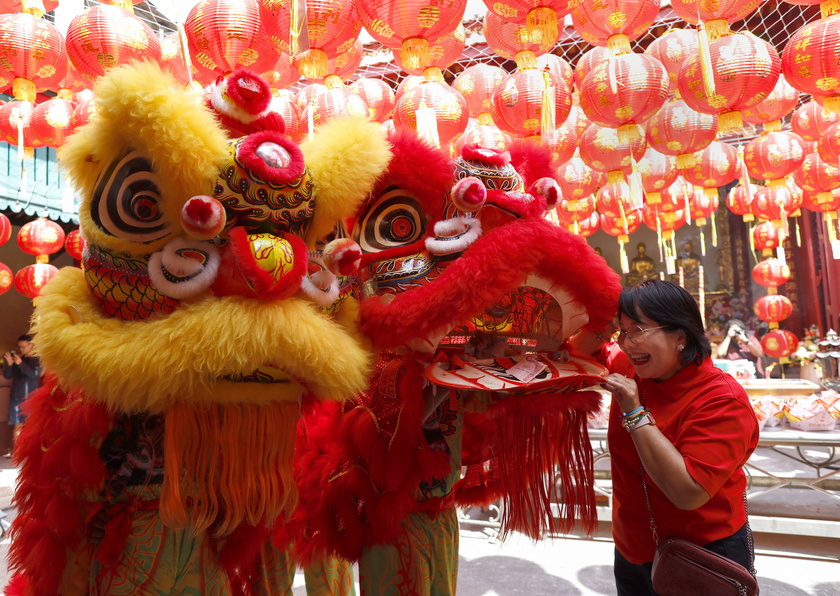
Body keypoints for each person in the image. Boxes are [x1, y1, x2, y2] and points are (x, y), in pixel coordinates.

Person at [600, 280, 759, 595]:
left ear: (680, 337)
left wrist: (634, 412)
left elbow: (688, 493)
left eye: (639, 330)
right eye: (623, 332)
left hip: (702, 553)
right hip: (633, 547)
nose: (628, 344)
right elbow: (577, 345)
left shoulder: (721, 398)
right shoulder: (632, 367)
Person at [2, 334, 42, 454]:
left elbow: (34, 374)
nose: (20, 349)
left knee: (31, 427)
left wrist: (20, 363)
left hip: (30, 399)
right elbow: (8, 375)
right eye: (18, 347)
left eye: (23, 347)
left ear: (31, 345)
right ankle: (17, 452)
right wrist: (9, 364)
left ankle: (31, 452)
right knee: (17, 426)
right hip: (15, 398)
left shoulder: (37, 360)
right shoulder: (19, 359)